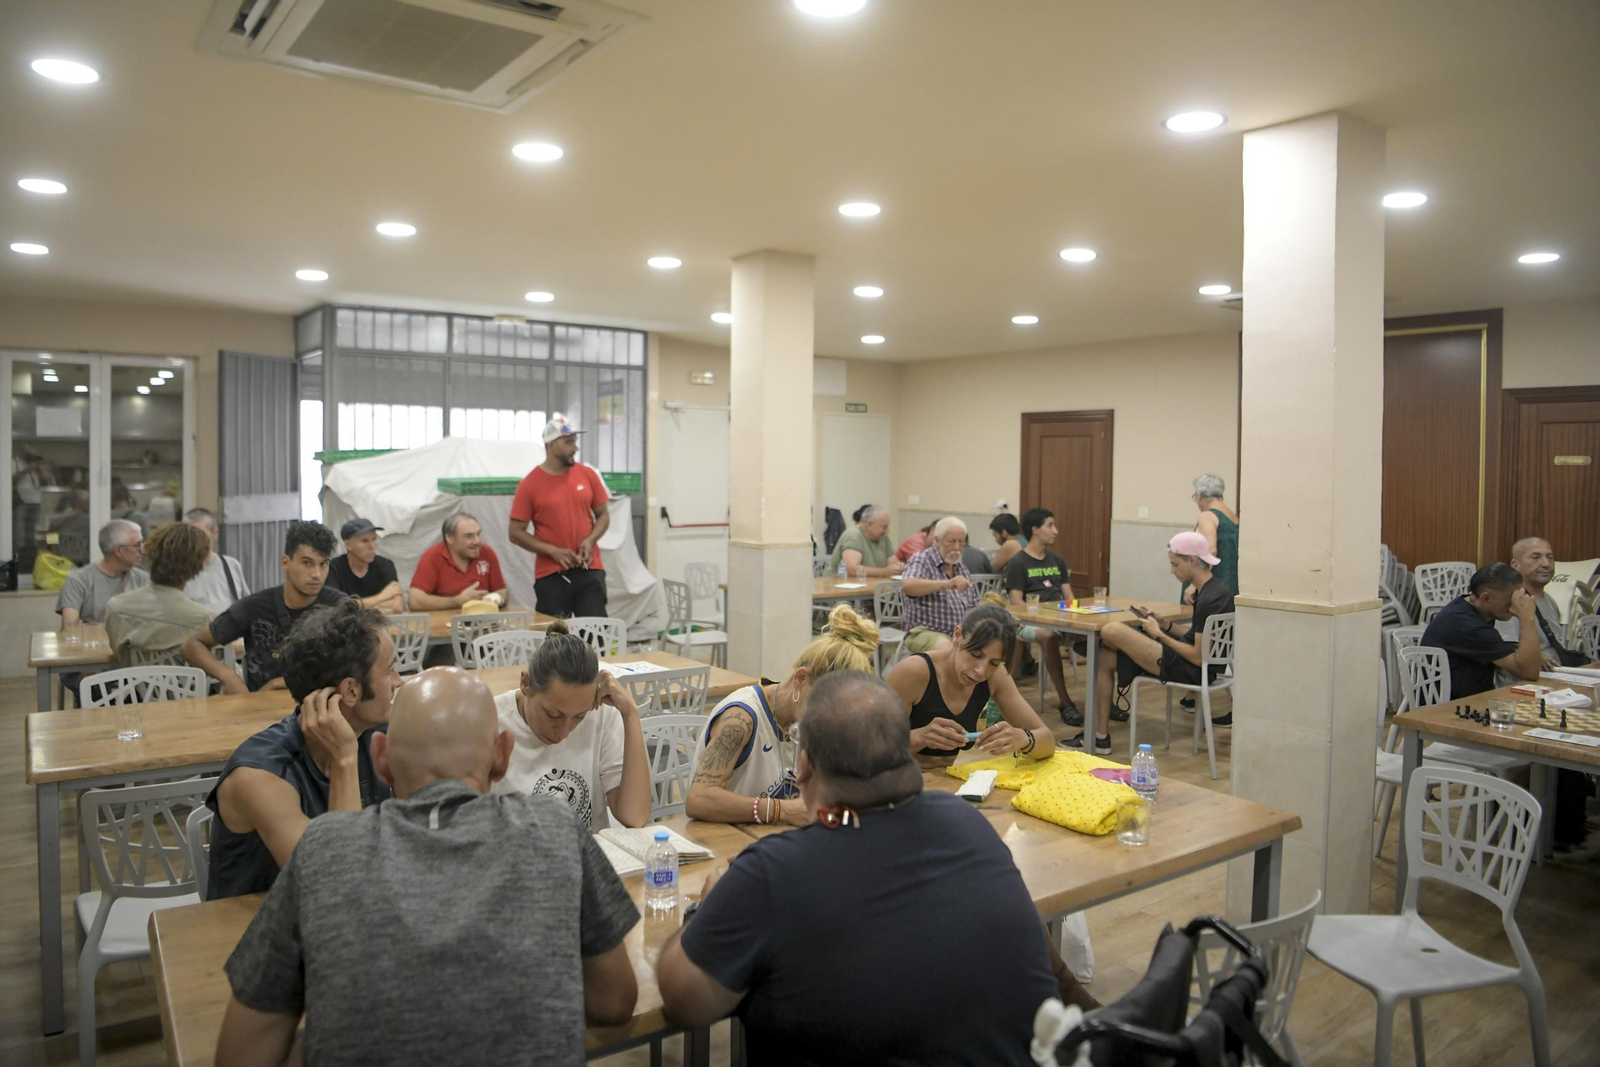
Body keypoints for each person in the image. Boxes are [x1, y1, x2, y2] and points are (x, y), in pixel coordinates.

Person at [214, 667, 639, 1067]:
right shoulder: (557, 829)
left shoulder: (321, 849)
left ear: (381, 760)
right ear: (501, 756)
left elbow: (243, 1053)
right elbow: (616, 1000)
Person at [656, 672, 1061, 1067]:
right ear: (905, 749)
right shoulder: (970, 823)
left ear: (804, 767)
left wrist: (705, 910)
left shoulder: (771, 871)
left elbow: (683, 1000)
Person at [204, 598, 402, 900]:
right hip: (254, 933)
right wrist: (345, 759)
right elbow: (332, 886)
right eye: (390, 670)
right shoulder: (259, 774)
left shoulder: (376, 735)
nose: (399, 681)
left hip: (341, 923)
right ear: (350, 690)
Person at [687, 603, 880, 825]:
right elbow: (698, 799)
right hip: (726, 836)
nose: (828, 716)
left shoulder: (809, 720)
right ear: (801, 679)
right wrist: (782, 810)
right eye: (826, 703)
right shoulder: (741, 718)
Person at [1067, 532, 1235, 755]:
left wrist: (1159, 635)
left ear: (1192, 561)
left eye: (1175, 565)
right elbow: (1197, 638)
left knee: (1111, 630)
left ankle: (1101, 653)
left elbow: (1197, 655)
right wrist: (1163, 624)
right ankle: (1100, 737)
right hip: (1199, 666)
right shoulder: (1217, 591)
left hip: (1191, 669)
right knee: (1107, 654)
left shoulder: (1209, 598)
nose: (1172, 571)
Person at [490, 620, 651, 830]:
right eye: (553, 714)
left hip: (587, 858)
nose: (564, 732)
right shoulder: (490, 722)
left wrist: (630, 714)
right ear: (526, 683)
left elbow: (635, 817)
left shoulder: (601, 712)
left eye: (579, 717)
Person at [1495, 538, 1594, 848]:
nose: (1546, 563)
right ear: (1516, 565)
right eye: (1535, 557)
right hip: (1520, 691)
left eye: (1550, 557)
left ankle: (1566, 820)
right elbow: (1513, 655)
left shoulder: (1547, 600)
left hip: (1554, 682)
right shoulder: (1513, 603)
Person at [183, 521, 347, 694]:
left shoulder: (340, 608)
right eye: (307, 563)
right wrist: (227, 675)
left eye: (324, 564)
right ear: (285, 562)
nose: (316, 574)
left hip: (324, 709)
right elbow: (192, 645)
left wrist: (283, 683)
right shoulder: (255, 607)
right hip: (264, 713)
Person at [887, 601, 1055, 768]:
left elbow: (1047, 741)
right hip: (899, 778)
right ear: (957, 636)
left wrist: (1024, 738)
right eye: (975, 654)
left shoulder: (996, 676)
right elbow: (872, 750)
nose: (981, 671)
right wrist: (920, 737)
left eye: (994, 662)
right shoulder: (913, 672)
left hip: (944, 779)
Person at [508, 415, 610, 618]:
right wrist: (553, 551)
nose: (575, 448)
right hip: (552, 574)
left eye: (575, 441)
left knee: (595, 638)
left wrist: (590, 541)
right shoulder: (530, 484)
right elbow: (515, 533)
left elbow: (604, 516)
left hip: (589, 568)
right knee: (554, 639)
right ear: (551, 445)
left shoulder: (588, 475)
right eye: (569, 442)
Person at [1421, 562, 1542, 702]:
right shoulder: (1469, 625)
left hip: (1468, 697)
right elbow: (1529, 672)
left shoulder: (1467, 606)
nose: (1516, 603)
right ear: (1486, 598)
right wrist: (1527, 617)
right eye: (1512, 599)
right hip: (1453, 708)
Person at [1004, 507, 1082, 724]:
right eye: (1050, 525)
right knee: (1048, 636)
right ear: (1035, 530)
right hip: (1028, 623)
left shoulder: (1057, 561)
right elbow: (1016, 602)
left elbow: (1069, 598)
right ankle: (1065, 701)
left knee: (1098, 638)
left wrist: (1074, 614)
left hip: (1060, 619)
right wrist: (1041, 614)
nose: (1055, 531)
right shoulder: (1018, 563)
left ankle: (1105, 701)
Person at [104, 521, 214, 665]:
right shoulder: (205, 619)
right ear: (198, 565)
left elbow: (119, 655)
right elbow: (222, 669)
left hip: (137, 686)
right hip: (194, 687)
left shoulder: (116, 608)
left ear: (150, 555)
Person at [899, 516, 977, 654]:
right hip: (925, 632)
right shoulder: (922, 559)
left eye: (961, 542)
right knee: (949, 650)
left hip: (959, 633)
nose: (957, 547)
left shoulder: (960, 567)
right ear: (937, 540)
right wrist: (947, 584)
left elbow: (973, 605)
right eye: (952, 542)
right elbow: (908, 586)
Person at [409, 511, 508, 612]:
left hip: (483, 623)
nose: (477, 541)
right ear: (450, 538)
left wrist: (495, 598)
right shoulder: (433, 556)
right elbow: (415, 601)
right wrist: (457, 601)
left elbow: (501, 591)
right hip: (443, 624)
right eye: (469, 536)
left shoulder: (487, 553)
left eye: (478, 534)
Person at [56, 519, 147, 626]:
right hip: (94, 642)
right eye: (138, 544)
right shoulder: (78, 580)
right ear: (119, 551)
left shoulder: (144, 579)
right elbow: (70, 627)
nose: (143, 550)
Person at [325, 517, 403, 612]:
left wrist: (355, 606)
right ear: (348, 545)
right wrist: (380, 598)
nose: (372, 546)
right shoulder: (335, 567)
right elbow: (336, 607)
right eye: (365, 541)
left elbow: (397, 606)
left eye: (374, 539)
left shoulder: (385, 565)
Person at [182, 507, 251, 615]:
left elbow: (247, 606)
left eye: (200, 535)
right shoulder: (178, 571)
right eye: (188, 535)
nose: (193, 541)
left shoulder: (230, 565)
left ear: (215, 533)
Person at [1186, 474, 1240, 598]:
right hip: (1230, 585)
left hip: (1211, 588)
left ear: (1199, 496)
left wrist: (1195, 585)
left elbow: (1210, 550)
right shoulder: (1232, 517)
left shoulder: (1207, 516)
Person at [828, 504, 904, 579]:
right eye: (884, 527)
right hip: (838, 585)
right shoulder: (853, 535)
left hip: (870, 586)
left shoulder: (883, 537)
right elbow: (852, 570)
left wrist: (898, 567)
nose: (887, 531)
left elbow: (892, 563)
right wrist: (884, 572)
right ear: (869, 525)